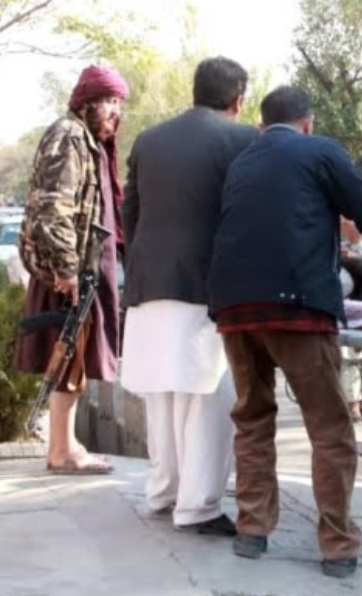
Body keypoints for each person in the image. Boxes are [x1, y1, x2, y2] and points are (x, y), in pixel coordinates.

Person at [207, 85, 362, 579]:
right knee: (329, 426)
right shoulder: (319, 152)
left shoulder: (242, 162)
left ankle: (252, 529)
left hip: (235, 308)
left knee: (252, 417)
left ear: (261, 125)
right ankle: (337, 545)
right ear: (308, 122)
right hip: (298, 305)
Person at [119, 57, 258, 535]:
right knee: (207, 398)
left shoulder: (149, 139)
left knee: (161, 393)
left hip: (148, 281)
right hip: (205, 283)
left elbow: (130, 211)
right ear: (238, 99)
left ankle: (164, 491)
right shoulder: (243, 140)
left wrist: (144, 259)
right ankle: (198, 506)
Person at [15, 65, 129, 475]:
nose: (116, 112)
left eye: (119, 103)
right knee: (69, 358)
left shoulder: (86, 140)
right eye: (109, 102)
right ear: (87, 104)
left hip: (84, 269)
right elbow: (53, 208)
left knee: (76, 360)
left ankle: (65, 443)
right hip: (70, 272)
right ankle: (61, 450)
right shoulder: (68, 136)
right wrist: (66, 270)